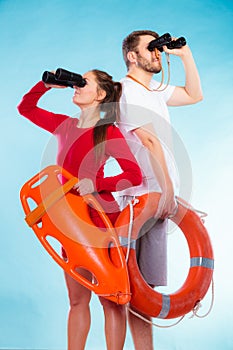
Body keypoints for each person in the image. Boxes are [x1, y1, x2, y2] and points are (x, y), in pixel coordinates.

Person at [17, 69, 142, 350]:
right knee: (77, 301)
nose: (76, 86)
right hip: (69, 221)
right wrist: (45, 85)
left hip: (99, 220)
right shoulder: (65, 126)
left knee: (110, 300)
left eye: (83, 83)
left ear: (100, 95)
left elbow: (133, 175)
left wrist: (96, 182)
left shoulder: (109, 132)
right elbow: (25, 108)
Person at [117, 30, 203, 349]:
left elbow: (194, 95)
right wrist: (168, 191)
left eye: (158, 49)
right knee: (135, 291)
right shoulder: (125, 90)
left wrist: (185, 56)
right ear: (132, 56)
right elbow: (148, 140)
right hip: (141, 198)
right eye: (150, 48)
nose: (157, 54)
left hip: (160, 198)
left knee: (147, 288)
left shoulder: (153, 89)